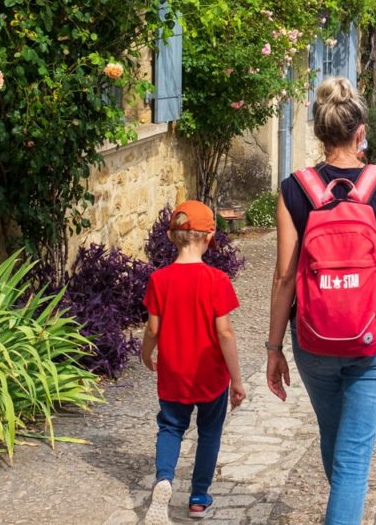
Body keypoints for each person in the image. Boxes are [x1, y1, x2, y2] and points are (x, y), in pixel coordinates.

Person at [266, 77, 376, 525]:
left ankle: (344, 505)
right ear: (360, 132)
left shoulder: (295, 189)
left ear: (319, 131)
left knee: (335, 442)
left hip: (314, 339)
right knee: (353, 459)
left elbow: (284, 276)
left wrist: (274, 349)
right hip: (374, 338)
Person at [141, 200, 247, 523]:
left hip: (173, 372)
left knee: (171, 427)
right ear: (209, 236)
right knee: (209, 432)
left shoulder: (159, 280)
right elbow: (225, 333)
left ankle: (163, 480)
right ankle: (199, 498)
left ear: (172, 236)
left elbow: (152, 328)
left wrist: (146, 354)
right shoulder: (216, 280)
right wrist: (237, 380)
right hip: (210, 375)